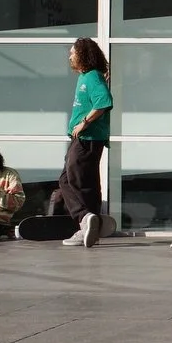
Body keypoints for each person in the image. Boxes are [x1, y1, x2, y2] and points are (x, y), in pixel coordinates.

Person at [56, 37, 114, 248]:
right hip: (81, 139)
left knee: (81, 182)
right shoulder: (87, 77)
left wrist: (84, 123)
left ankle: (86, 220)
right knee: (66, 180)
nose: (70, 56)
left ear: (83, 55)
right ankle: (88, 220)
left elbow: (104, 101)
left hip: (88, 138)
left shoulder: (92, 77)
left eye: (73, 52)